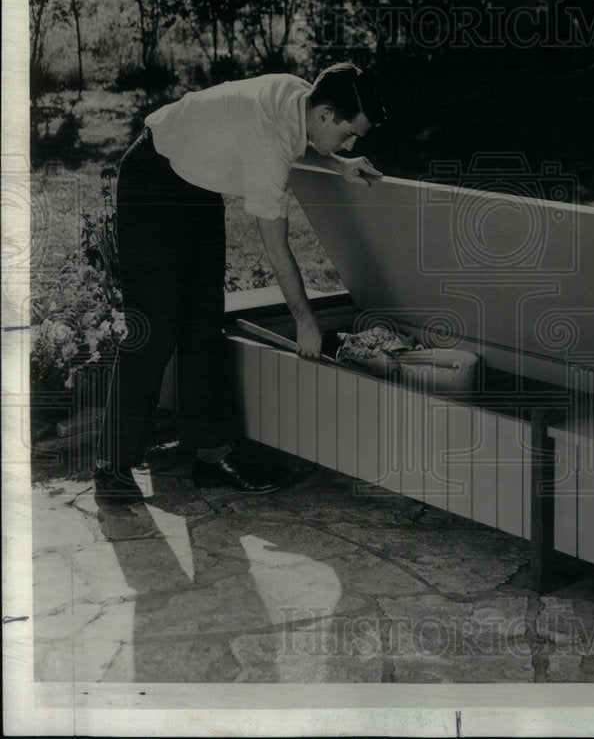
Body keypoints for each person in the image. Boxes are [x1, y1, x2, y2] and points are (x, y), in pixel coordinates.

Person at [94, 63, 386, 504]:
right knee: (153, 328)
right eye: (349, 136)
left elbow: (299, 140)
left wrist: (338, 162)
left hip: (195, 182)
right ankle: (110, 466)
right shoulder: (269, 139)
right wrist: (305, 322)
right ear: (326, 115)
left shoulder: (299, 96)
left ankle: (211, 458)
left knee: (203, 322)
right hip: (152, 180)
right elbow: (278, 251)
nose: (350, 143)